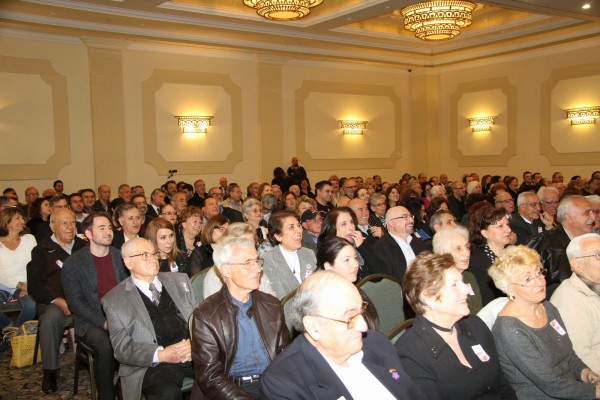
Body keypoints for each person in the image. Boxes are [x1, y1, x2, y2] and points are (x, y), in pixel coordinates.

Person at [259, 270, 424, 400]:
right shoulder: (283, 384)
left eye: (361, 311)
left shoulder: (377, 343)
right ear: (314, 327)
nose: (363, 326)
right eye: (350, 318)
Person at [395, 253, 515, 400]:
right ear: (428, 297)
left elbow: (504, 385)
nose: (466, 289)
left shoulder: (474, 325)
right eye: (454, 285)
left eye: (462, 282)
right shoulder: (410, 353)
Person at [489, 245, 600, 399]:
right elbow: (552, 384)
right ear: (508, 289)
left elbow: (570, 356)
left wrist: (589, 375)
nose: (540, 282)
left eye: (539, 272)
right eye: (527, 280)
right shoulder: (510, 329)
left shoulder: (547, 307)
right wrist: (595, 391)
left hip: (571, 389)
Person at [190, 236, 290, 399]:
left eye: (256, 261)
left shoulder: (271, 305)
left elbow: (285, 356)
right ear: (226, 270)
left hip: (272, 381)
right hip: (231, 387)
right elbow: (210, 376)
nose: (258, 268)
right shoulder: (207, 315)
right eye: (248, 263)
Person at [102, 238, 196, 400]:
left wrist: (194, 344)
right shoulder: (114, 300)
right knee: (167, 393)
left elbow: (199, 320)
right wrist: (161, 354)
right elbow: (121, 348)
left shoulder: (180, 280)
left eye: (154, 254)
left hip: (191, 352)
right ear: (128, 263)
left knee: (226, 371)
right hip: (153, 364)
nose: (153, 259)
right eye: (145, 255)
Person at [61, 212, 127, 400]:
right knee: (106, 345)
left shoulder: (120, 256)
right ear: (88, 234)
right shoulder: (73, 263)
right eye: (102, 228)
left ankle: (125, 387)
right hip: (90, 321)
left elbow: (129, 289)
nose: (108, 232)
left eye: (109, 227)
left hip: (120, 315)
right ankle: (106, 396)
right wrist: (104, 322)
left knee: (145, 334)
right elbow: (76, 303)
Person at [26, 209, 86, 394]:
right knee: (51, 318)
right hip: (53, 300)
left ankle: (91, 356)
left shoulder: (84, 246)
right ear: (52, 226)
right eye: (64, 223)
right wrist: (58, 300)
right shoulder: (41, 250)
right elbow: (35, 285)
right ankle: (50, 371)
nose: (70, 227)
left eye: (72, 222)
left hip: (81, 298)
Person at [551, 233, 600, 372]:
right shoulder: (569, 300)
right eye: (598, 255)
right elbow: (581, 358)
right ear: (577, 265)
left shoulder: (595, 286)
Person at [530, 195, 594, 294]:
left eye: (592, 212)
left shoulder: (585, 239)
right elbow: (563, 286)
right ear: (568, 218)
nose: (593, 218)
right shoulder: (554, 246)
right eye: (587, 213)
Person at [316, 236, 378, 329]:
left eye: (355, 258)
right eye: (346, 260)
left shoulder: (352, 289)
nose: (356, 264)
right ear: (328, 266)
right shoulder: (324, 302)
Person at [261, 211, 317, 299]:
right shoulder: (269, 260)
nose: (299, 230)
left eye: (298, 225)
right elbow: (280, 298)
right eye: (291, 227)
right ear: (278, 236)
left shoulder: (308, 253)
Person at [319, 207, 385, 281]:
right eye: (344, 224)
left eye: (351, 222)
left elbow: (380, 274)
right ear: (333, 229)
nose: (351, 228)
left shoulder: (360, 242)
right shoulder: (329, 251)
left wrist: (363, 247)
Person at [432, 226, 483, 314]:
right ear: (441, 254)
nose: (467, 253)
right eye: (458, 248)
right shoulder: (436, 284)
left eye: (467, 247)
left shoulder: (469, 277)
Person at [468, 205, 512, 306]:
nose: (508, 230)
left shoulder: (514, 252)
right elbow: (488, 299)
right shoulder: (476, 261)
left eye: (507, 224)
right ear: (485, 233)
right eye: (500, 226)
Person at [0, 208, 37, 329]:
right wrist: (20, 285)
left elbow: (36, 264)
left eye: (22, 218)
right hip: (4, 285)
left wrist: (30, 284)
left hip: (27, 284)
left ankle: (15, 334)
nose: (22, 221)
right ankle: (9, 327)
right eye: (17, 218)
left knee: (31, 305)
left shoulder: (29, 239)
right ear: (7, 222)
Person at [373, 206, 429, 283]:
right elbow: (392, 279)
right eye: (405, 217)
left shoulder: (417, 241)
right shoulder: (382, 247)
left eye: (410, 216)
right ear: (391, 223)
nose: (411, 220)